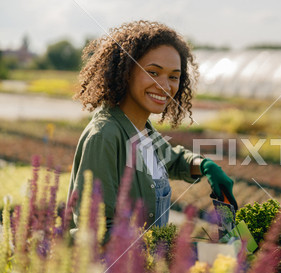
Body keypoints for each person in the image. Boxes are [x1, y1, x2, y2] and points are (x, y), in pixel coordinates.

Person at [68, 20, 237, 243]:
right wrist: (166, 255)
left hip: (144, 270)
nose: (164, 86)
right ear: (126, 72)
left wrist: (205, 166)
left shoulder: (142, 131)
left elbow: (173, 160)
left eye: (173, 76)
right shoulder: (105, 135)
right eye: (153, 72)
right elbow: (95, 230)